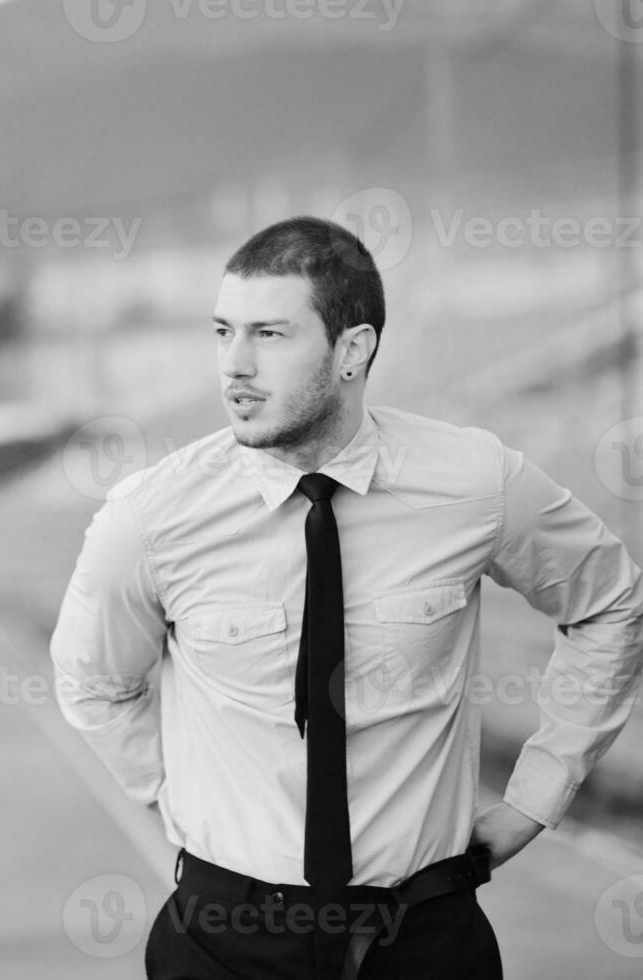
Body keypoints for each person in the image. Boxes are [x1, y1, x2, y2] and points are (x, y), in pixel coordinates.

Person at [49, 216, 643, 979]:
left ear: (352, 350)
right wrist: (175, 798)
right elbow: (94, 681)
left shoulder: (473, 483)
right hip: (225, 942)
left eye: (269, 335)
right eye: (223, 331)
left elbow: (609, 601)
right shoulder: (151, 518)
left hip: (424, 940)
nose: (234, 366)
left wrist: (538, 795)